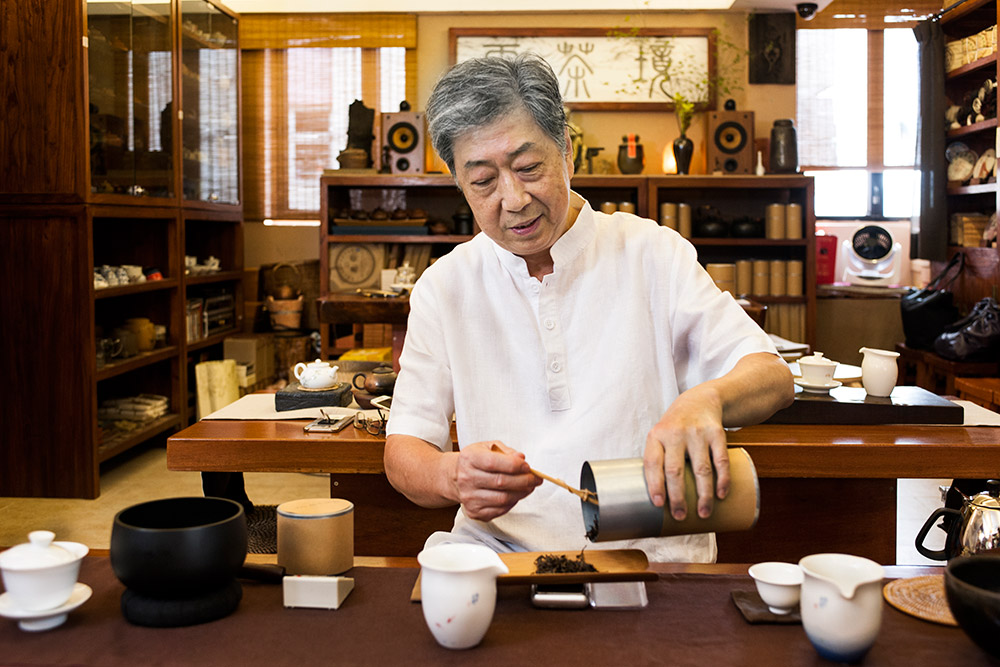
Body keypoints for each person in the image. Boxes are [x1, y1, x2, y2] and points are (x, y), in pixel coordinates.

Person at [384, 53, 794, 562]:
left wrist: (704, 399)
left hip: (654, 557)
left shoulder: (652, 253)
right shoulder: (444, 286)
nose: (512, 200)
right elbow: (403, 452)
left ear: (567, 153)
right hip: (501, 557)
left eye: (529, 168)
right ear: (459, 183)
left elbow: (772, 377)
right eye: (484, 181)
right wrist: (451, 476)